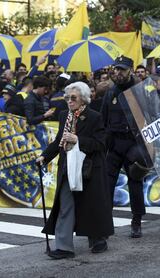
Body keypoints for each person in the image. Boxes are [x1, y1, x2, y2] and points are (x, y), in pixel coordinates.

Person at [36, 81, 114, 259]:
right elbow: (58, 141)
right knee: (65, 205)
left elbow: (101, 144)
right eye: (67, 98)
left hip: (89, 168)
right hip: (67, 167)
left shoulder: (95, 116)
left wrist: (77, 139)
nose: (69, 101)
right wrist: (44, 156)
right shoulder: (64, 115)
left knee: (91, 205)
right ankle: (64, 247)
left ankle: (97, 238)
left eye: (73, 98)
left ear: (84, 99)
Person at [100, 56, 152, 238]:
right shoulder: (110, 92)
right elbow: (103, 119)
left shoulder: (141, 91)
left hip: (134, 144)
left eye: (122, 69)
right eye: (116, 69)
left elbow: (152, 116)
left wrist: (148, 148)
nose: (118, 73)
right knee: (106, 185)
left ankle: (136, 221)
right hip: (114, 144)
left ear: (130, 70)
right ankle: (103, 224)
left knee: (135, 184)